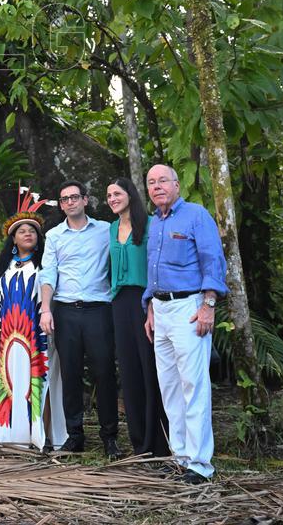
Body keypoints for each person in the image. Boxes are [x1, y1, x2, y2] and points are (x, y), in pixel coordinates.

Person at [143, 163, 228, 484]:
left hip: (190, 307)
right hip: (160, 311)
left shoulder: (195, 215)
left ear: (177, 185)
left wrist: (208, 304)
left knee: (193, 386)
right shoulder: (154, 222)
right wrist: (149, 306)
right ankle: (179, 457)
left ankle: (200, 464)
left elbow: (213, 260)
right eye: (151, 182)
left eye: (163, 180)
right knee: (170, 388)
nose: (157, 186)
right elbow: (153, 270)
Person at [39, 179, 121, 458]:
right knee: (70, 374)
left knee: (105, 373)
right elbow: (48, 274)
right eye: (64, 199)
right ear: (61, 206)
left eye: (74, 197)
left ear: (86, 200)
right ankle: (75, 436)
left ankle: (110, 437)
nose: (70, 202)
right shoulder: (54, 236)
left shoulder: (105, 230)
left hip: (99, 310)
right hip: (65, 311)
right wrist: (46, 309)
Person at [0, 188, 66, 451]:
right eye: (22, 231)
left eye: (32, 231)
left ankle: (44, 435)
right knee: (14, 382)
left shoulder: (44, 265)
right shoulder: (5, 268)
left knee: (42, 381)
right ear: (13, 238)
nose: (28, 234)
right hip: (10, 336)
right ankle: (16, 435)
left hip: (39, 332)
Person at [106, 176, 169, 457]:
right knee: (129, 370)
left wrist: (152, 304)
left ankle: (161, 440)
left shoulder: (151, 224)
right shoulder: (112, 227)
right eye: (108, 196)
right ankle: (139, 441)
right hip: (119, 303)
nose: (112, 199)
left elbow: (158, 267)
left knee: (151, 368)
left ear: (130, 194)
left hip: (145, 302)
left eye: (117, 193)